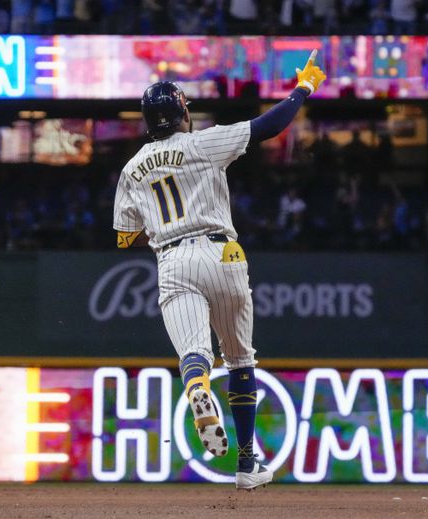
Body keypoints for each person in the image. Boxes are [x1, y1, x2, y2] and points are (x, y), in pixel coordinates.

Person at [112, 51, 325, 490]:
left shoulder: (132, 168)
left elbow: (124, 236)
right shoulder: (201, 142)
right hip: (223, 254)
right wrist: (302, 88)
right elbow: (269, 127)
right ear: (180, 112)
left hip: (173, 258)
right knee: (240, 358)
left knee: (195, 354)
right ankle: (247, 464)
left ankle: (196, 388)